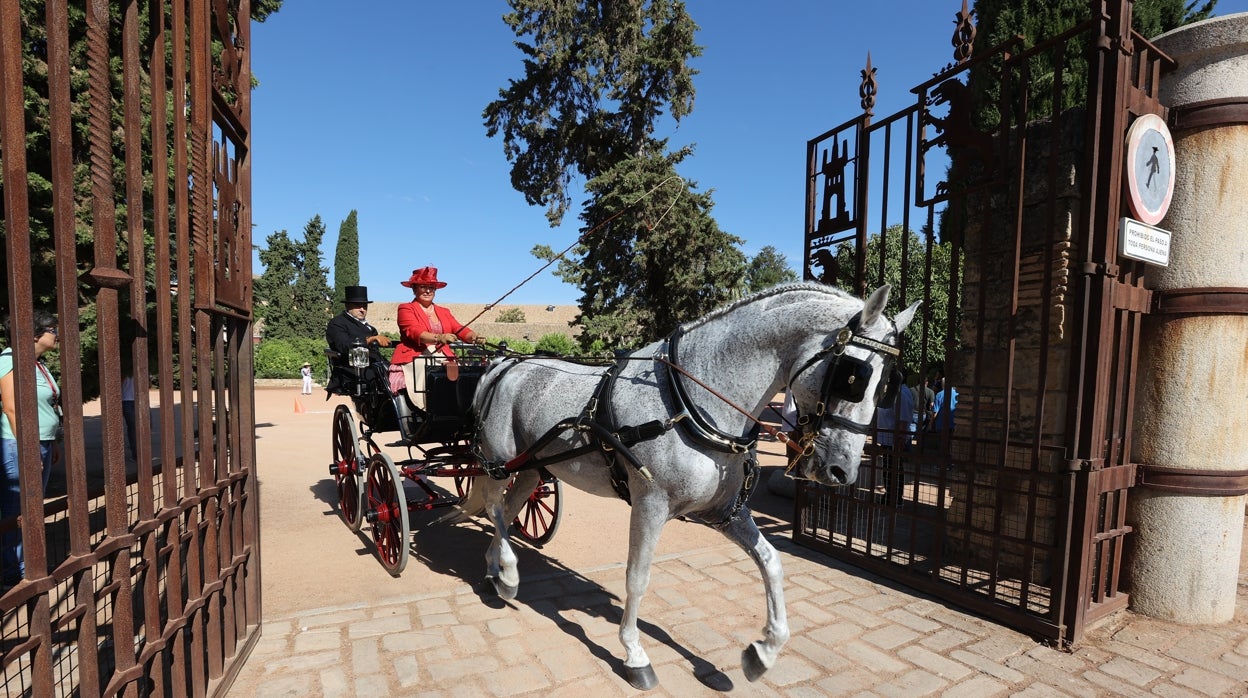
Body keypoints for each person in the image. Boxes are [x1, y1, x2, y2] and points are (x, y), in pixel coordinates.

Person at [0, 310, 62, 586]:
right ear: (36, 334)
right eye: (53, 329)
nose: (57, 334)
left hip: (42, 442)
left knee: (33, 503)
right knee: (17, 506)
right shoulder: (9, 359)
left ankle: (28, 563)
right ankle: (14, 571)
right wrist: (28, 449)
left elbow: (45, 405)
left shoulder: (37, 364)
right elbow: (12, 408)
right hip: (19, 444)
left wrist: (53, 441)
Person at [389, 267, 484, 412]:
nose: (428, 291)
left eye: (431, 288)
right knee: (429, 370)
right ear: (414, 289)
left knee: (466, 370)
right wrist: (439, 337)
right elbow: (414, 331)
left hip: (442, 354)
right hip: (416, 354)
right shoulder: (406, 309)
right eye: (423, 287)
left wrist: (474, 337)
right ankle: (430, 408)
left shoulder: (444, 311)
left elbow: (459, 329)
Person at [324, 285, 391, 395]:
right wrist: (369, 340)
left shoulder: (370, 328)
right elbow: (343, 345)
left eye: (364, 306)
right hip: (352, 368)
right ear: (347, 305)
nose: (362, 309)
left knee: (401, 373)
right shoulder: (337, 323)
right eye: (357, 305)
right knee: (383, 377)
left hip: (376, 365)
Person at [875, 366, 915, 506]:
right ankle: (891, 495)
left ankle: (895, 498)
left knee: (894, 470)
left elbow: (903, 420)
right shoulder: (894, 392)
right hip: (888, 438)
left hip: (894, 439)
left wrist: (900, 440)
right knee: (889, 469)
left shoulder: (901, 394)